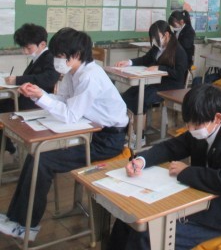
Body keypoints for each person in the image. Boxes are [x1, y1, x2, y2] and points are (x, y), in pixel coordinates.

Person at [0, 28, 128, 242]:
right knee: (35, 155)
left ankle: (26, 226)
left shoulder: (90, 76)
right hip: (89, 129)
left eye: (60, 55)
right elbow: (64, 101)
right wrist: (40, 94)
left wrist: (42, 98)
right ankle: (15, 218)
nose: (57, 60)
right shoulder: (72, 72)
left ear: (76, 54)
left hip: (107, 140)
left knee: (43, 160)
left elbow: (70, 114)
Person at [108, 84, 221, 250]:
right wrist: (142, 160)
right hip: (200, 199)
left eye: (195, 125)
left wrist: (186, 172)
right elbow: (172, 147)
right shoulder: (206, 125)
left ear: (217, 118)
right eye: (188, 123)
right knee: (129, 219)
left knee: (148, 235)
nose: (190, 129)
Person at [1, 23, 59, 156]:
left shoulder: (50, 57)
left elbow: (49, 78)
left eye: (28, 48)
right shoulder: (38, 57)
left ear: (42, 44)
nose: (25, 52)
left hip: (37, 102)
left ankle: (7, 144)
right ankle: (7, 144)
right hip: (28, 98)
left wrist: (18, 80)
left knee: (3, 109)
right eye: (23, 48)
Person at [116, 20, 189, 117]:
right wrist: (129, 62)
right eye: (153, 38)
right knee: (129, 94)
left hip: (170, 86)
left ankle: (137, 125)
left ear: (166, 35)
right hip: (155, 82)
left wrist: (159, 68)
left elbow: (179, 74)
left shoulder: (179, 51)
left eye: (156, 37)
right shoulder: (157, 47)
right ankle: (125, 122)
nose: (154, 40)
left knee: (142, 98)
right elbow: (145, 59)